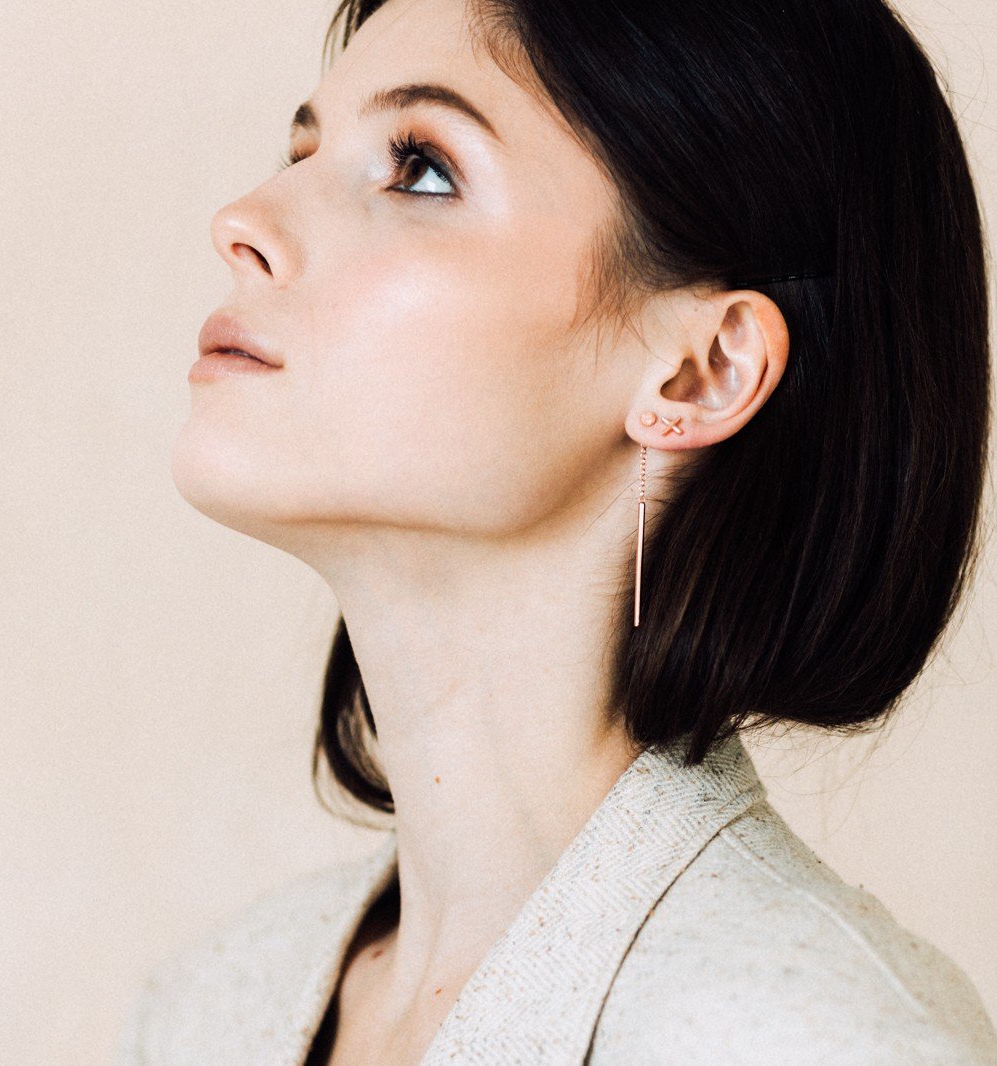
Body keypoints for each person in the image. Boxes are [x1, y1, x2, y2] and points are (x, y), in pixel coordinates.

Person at [117, 0, 997, 1061]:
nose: (244, 218)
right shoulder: (204, 1010)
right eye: (300, 147)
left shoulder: (825, 1038)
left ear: (699, 369)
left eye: (421, 167)